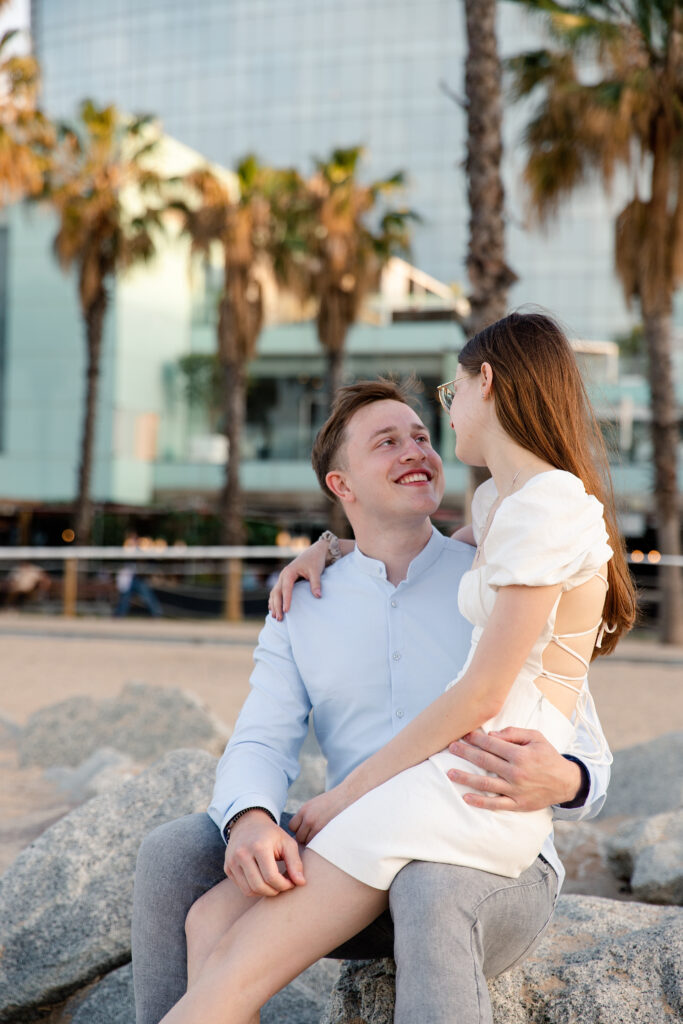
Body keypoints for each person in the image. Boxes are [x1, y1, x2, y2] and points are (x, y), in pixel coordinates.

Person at [147, 312, 634, 1024]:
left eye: (423, 429)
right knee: (190, 887)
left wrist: (566, 777)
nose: (419, 446)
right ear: (341, 485)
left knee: (427, 886)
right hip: (380, 819)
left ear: (485, 384)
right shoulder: (315, 593)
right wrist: (251, 818)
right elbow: (259, 737)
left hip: (464, 824)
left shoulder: (496, 558)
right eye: (387, 441)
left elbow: (555, 721)